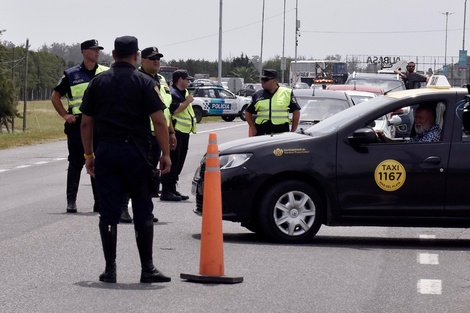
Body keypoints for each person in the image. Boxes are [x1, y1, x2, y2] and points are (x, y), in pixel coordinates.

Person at [80, 36, 171, 284]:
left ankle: (110, 269)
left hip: (107, 151)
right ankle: (147, 268)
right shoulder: (144, 82)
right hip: (137, 153)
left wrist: (89, 155)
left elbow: (86, 122)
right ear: (136, 56)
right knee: (142, 208)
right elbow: (160, 121)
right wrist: (166, 154)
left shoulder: (98, 82)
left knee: (108, 211)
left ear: (113, 53)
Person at [119, 46, 177, 223]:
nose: (156, 61)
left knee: (151, 174)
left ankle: (145, 211)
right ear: (141, 60)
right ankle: (123, 208)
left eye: (158, 58)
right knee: (132, 172)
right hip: (140, 135)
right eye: (152, 58)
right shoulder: (136, 79)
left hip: (158, 134)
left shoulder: (161, 80)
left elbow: (165, 111)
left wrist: (171, 132)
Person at [51, 39, 109, 213]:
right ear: (84, 51)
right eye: (93, 49)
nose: (97, 52)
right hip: (78, 124)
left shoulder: (106, 72)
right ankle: (71, 201)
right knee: (76, 162)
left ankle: (99, 201)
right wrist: (65, 115)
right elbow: (55, 96)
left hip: (100, 124)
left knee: (98, 162)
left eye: (98, 49)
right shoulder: (71, 74)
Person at [159, 69, 197, 201]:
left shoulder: (184, 92)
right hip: (176, 132)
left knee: (179, 162)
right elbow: (174, 110)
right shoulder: (173, 93)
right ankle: (166, 190)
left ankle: (173, 188)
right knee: (173, 161)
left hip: (184, 132)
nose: (189, 82)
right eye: (187, 79)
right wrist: (188, 101)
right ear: (180, 80)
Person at [245, 69, 300, 136]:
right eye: (261, 79)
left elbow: (296, 112)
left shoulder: (287, 93)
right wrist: (253, 129)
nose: (262, 82)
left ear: (275, 80)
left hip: (281, 134)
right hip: (262, 134)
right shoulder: (257, 94)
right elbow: (247, 112)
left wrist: (292, 131)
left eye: (265, 80)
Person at [376, 104, 441, 143]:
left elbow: (412, 150)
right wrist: (384, 138)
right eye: (416, 117)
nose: (417, 121)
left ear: (431, 119)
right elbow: (406, 145)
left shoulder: (433, 136)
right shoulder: (422, 134)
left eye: (420, 118)